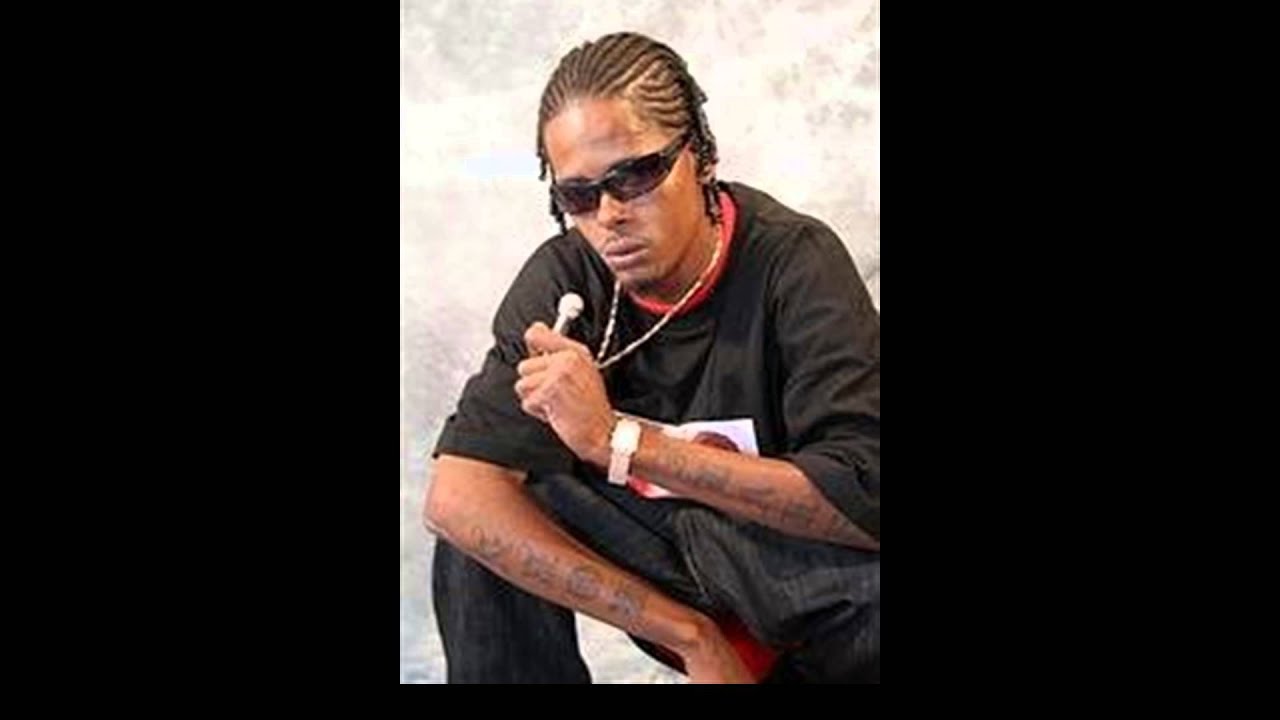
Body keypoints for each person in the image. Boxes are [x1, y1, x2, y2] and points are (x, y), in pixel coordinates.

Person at [424, 31, 880, 684]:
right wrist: (689, 637)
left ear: (701, 156)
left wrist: (616, 441)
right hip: (664, 567)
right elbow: (457, 496)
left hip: (794, 576)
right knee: (487, 525)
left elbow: (866, 502)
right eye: (578, 196)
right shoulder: (564, 282)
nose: (609, 215)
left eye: (634, 176)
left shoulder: (794, 262)